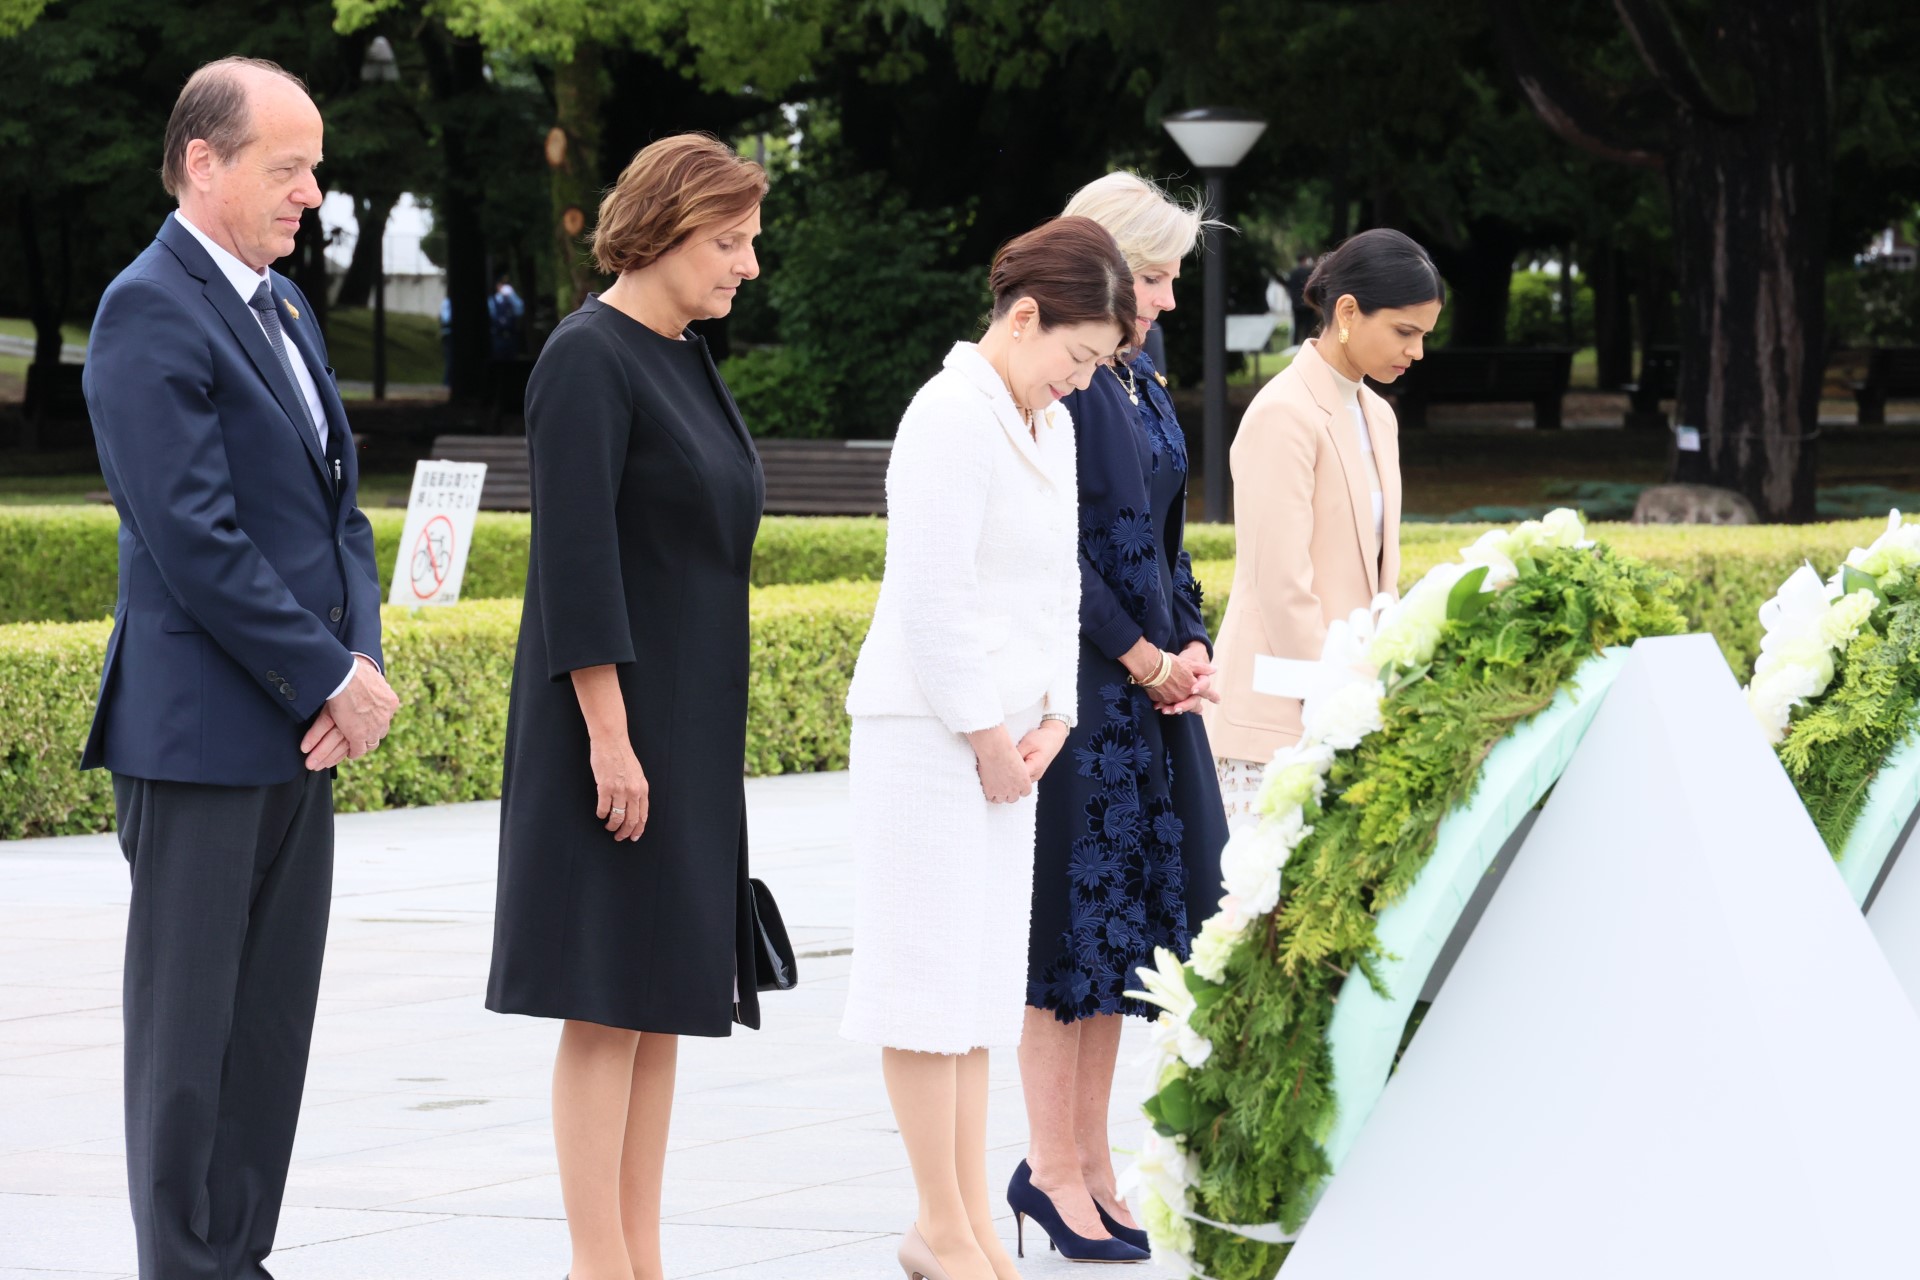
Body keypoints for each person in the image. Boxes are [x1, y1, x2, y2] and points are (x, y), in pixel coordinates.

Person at [80, 57, 399, 1278]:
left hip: (296, 731)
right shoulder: (146, 305)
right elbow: (192, 536)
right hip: (199, 734)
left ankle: (239, 1254)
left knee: (268, 1026)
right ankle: (184, 1261)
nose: (313, 191)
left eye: (314, 166)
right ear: (201, 163)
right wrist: (325, 672)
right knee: (187, 1032)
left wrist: (357, 658)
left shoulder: (287, 306)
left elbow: (339, 517)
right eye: (289, 166)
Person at [484, 133, 768, 1280]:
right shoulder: (586, 357)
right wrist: (612, 738)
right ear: (660, 232)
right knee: (605, 996)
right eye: (728, 242)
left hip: (685, 729)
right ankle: (597, 1262)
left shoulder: (683, 353)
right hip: (613, 729)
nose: (747, 265)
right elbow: (577, 565)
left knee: (658, 997)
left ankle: (640, 1256)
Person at [840, 216, 1137, 1280]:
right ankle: (942, 1220)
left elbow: (1058, 581)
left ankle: (957, 1221)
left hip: (1014, 739)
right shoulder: (949, 415)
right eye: (1079, 356)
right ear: (1023, 317)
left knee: (976, 989)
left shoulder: (1045, 424)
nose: (1083, 381)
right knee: (925, 984)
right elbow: (933, 593)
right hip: (929, 736)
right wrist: (984, 731)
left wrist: (1053, 713)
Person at [1015, 171, 1230, 1259]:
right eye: (1156, 275)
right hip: (1080, 690)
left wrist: (1191, 642)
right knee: (1067, 940)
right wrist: (1143, 654)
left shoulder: (1137, 375)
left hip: (1145, 694)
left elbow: (1165, 537)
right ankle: (1050, 1163)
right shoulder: (1066, 375)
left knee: (1119, 947)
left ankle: (1091, 1158)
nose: (1170, 299)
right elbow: (1056, 546)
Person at [1203, 229, 1445, 820]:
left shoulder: (1378, 415)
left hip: (1352, 710)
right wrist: (1337, 704)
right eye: (1404, 332)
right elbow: (1283, 586)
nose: (1415, 353)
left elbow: (1377, 578)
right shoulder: (1282, 413)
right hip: (1277, 722)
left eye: (1423, 337)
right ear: (1347, 312)